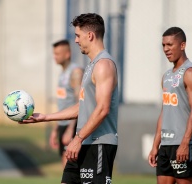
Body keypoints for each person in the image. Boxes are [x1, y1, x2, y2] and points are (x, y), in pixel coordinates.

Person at [20, 13, 119, 184]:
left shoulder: (104, 65)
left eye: (78, 35)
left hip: (98, 144)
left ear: (90, 35)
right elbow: (82, 107)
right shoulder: (92, 65)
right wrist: (46, 117)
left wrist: (77, 137)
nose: (76, 40)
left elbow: (103, 109)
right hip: (81, 143)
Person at [148, 27, 192, 184]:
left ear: (182, 45)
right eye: (163, 45)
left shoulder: (191, 73)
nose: (166, 49)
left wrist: (185, 143)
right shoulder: (166, 76)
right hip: (166, 145)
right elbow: (165, 112)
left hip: (185, 143)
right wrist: (155, 145)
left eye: (170, 45)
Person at [49, 39, 83, 168]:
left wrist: (70, 129)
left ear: (67, 54)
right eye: (54, 53)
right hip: (63, 124)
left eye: (57, 54)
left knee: (68, 165)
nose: (55, 57)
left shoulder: (75, 72)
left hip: (72, 124)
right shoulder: (62, 73)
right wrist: (56, 129)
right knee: (66, 165)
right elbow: (62, 104)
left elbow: (80, 102)